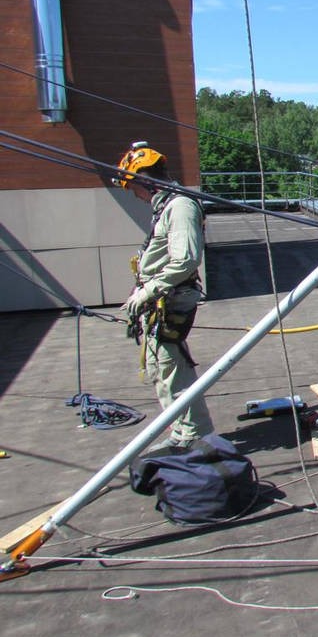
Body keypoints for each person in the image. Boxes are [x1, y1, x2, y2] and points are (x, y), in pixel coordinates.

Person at [115, 141, 215, 450]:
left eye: (134, 188)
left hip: (171, 299)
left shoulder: (180, 206)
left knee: (173, 370)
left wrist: (149, 290)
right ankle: (181, 430)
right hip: (160, 299)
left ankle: (193, 434)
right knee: (163, 368)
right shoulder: (166, 206)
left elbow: (185, 260)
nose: (135, 195)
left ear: (146, 179)